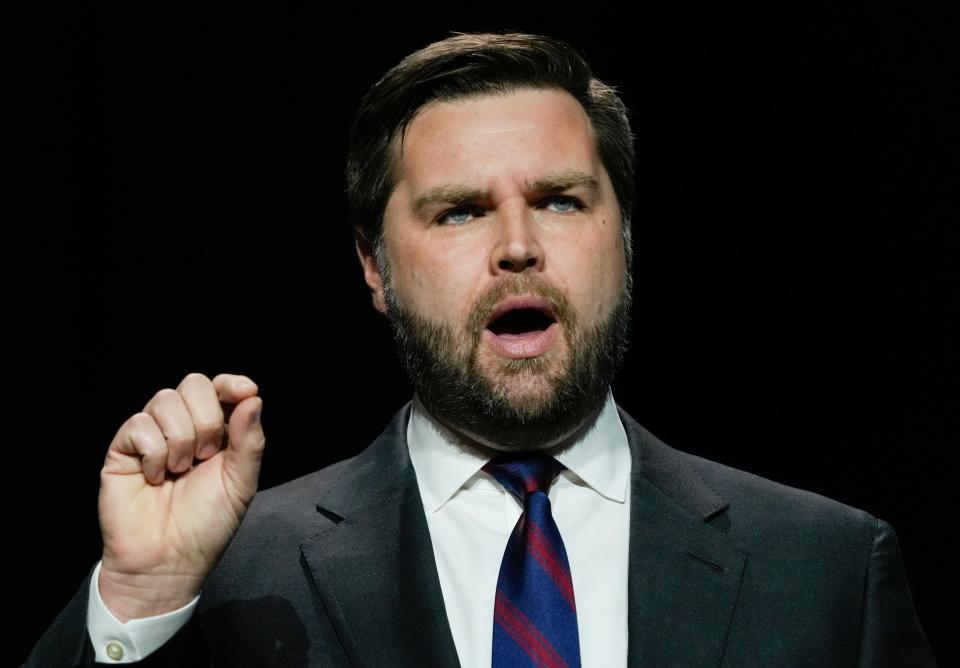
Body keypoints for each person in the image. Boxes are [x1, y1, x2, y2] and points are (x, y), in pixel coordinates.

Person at [24, 31, 934, 668]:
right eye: (459, 211)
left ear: (623, 238)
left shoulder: (828, 570)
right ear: (374, 267)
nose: (518, 244)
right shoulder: (231, 574)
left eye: (563, 200)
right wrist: (141, 604)